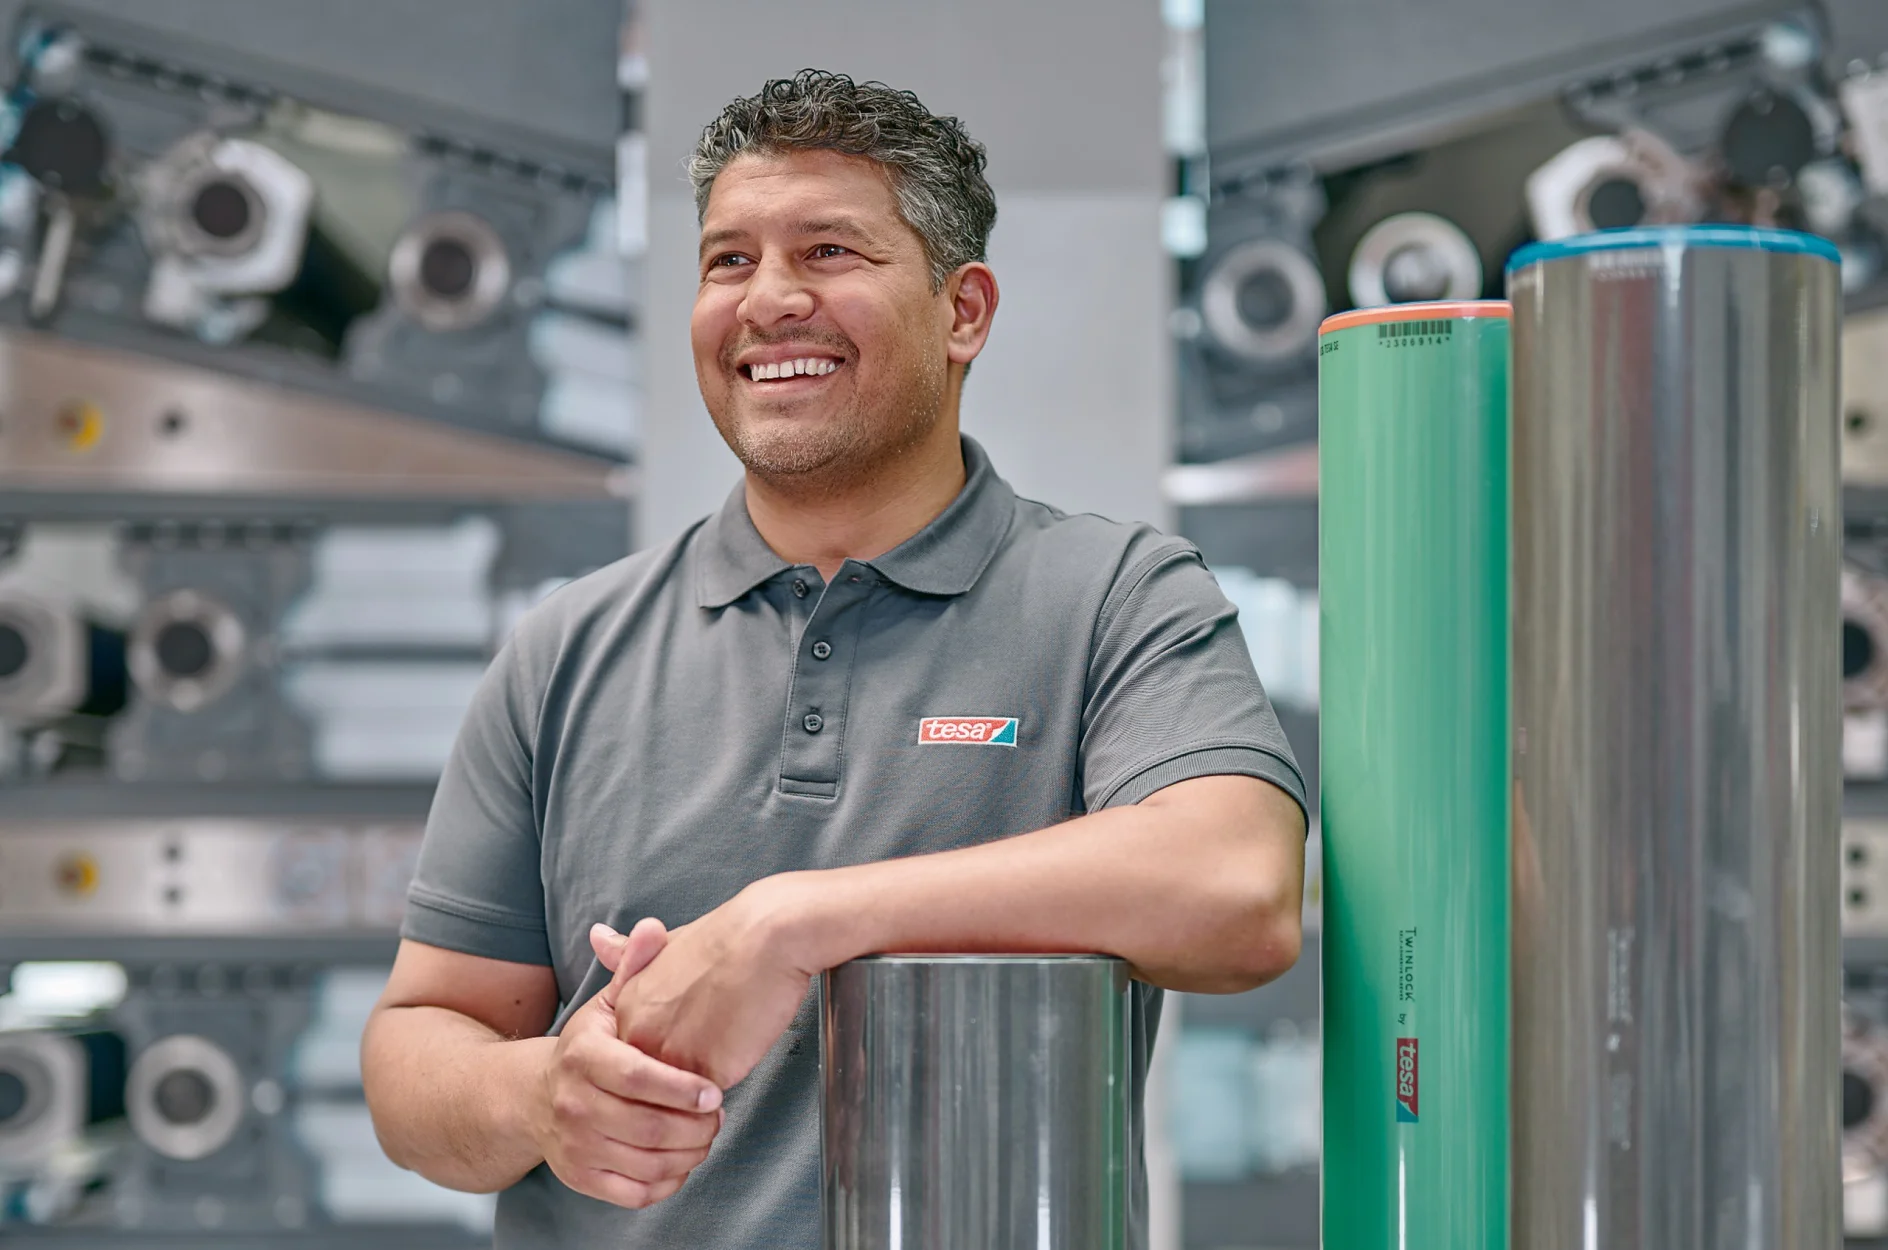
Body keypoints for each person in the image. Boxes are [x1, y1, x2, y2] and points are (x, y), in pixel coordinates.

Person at [360, 68, 1307, 1249]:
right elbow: (419, 1046)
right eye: (727, 260)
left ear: (962, 312)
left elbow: (1237, 888)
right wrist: (544, 1094)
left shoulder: (1113, 597)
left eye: (828, 252)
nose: (767, 302)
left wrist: (789, 926)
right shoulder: (568, 649)